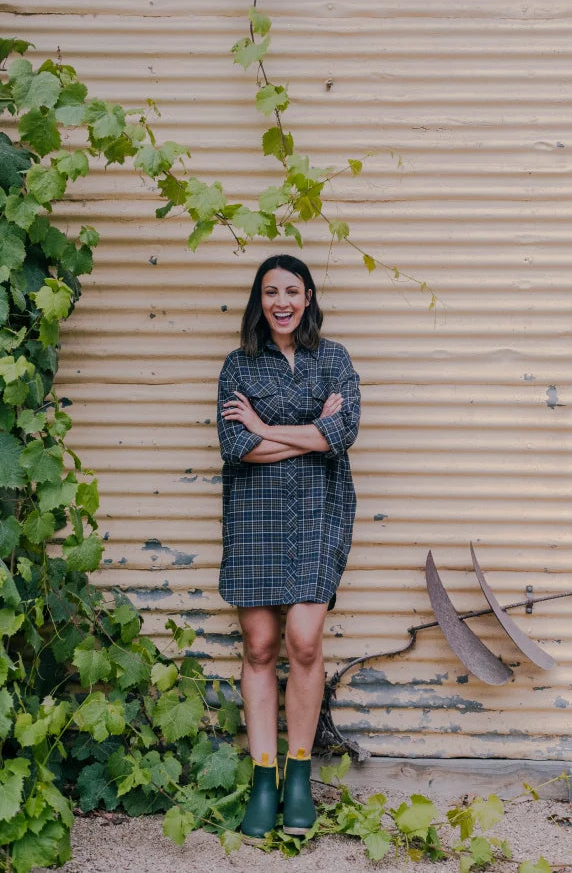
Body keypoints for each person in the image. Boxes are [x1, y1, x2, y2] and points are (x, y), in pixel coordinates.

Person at [216, 254, 361, 842]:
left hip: (321, 515)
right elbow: (234, 445)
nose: (282, 301)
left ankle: (299, 775)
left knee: (303, 640)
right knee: (260, 644)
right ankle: (264, 777)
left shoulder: (335, 360)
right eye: (271, 291)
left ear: (308, 297)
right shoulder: (238, 366)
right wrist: (311, 434)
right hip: (254, 517)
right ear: (260, 298)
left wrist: (267, 428)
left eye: (292, 291)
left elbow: (343, 433)